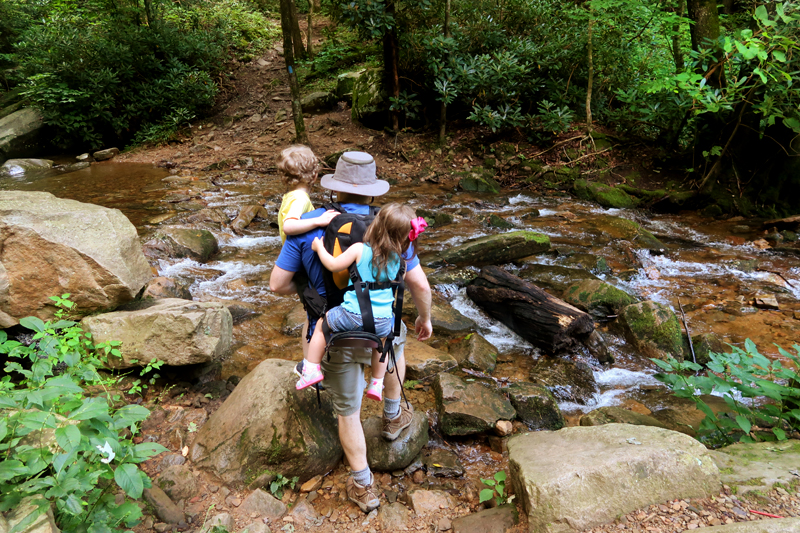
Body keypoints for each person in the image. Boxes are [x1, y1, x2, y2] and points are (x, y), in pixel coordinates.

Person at [269, 151, 433, 514]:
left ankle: (363, 486)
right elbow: (420, 287)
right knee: (397, 342)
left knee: (348, 412)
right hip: (379, 330)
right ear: (373, 193)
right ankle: (392, 418)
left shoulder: (312, 221)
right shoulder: (392, 228)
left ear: (335, 189)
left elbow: (277, 285)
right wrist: (425, 318)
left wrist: (309, 284)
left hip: (336, 330)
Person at [296, 203, 426, 403]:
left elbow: (331, 264)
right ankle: (376, 382)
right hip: (383, 322)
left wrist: (319, 247)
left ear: (376, 226)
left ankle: (311, 368)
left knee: (322, 326)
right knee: (382, 344)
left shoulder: (359, 249)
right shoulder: (401, 262)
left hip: (350, 315)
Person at [276, 145, 339, 242]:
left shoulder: (290, 196)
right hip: (298, 255)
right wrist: (318, 221)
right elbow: (288, 226)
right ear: (315, 176)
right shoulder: (300, 199)